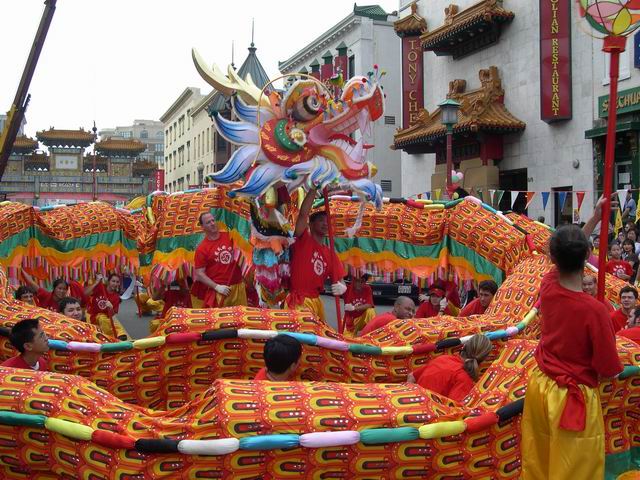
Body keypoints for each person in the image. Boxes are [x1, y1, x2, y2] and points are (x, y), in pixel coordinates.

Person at [521, 197, 623, 480]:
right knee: (575, 470)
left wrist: (595, 219)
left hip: (540, 387)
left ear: (553, 259)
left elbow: (568, 253)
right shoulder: (595, 311)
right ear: (588, 254)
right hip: (572, 399)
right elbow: (608, 369)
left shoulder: (548, 287)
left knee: (539, 463)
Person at [285, 188, 346, 322]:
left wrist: (342, 287)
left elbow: (340, 280)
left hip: (316, 302)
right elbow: (303, 214)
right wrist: (314, 187)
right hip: (298, 301)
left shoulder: (330, 253)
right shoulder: (303, 239)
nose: (325, 223)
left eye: (327, 221)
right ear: (310, 224)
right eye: (321, 220)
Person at [407, 334, 493, 402]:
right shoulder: (464, 379)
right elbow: (453, 407)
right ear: (483, 359)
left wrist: (410, 397)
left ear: (464, 346)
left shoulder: (443, 358)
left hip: (410, 404)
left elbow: (411, 376)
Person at [191, 212, 247, 308]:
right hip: (220, 290)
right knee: (222, 317)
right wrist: (217, 287)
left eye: (213, 220)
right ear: (202, 227)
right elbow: (199, 274)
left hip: (238, 287)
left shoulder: (230, 236)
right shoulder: (201, 248)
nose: (212, 223)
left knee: (241, 316)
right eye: (208, 222)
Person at [85, 273, 128, 339]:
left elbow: (112, 314)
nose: (115, 284)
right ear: (108, 281)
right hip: (94, 316)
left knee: (111, 323)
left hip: (106, 319)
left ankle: (120, 335)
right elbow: (86, 293)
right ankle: (111, 337)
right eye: (113, 281)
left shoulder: (116, 297)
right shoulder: (100, 287)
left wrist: (111, 308)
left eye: (117, 282)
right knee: (102, 318)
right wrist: (96, 282)